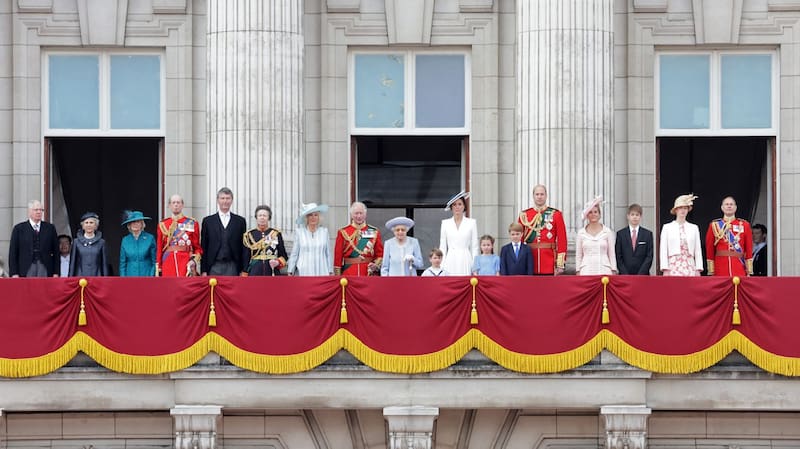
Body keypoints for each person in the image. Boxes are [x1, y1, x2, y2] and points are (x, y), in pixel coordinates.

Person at [517, 184, 567, 275]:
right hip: (530, 260)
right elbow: (519, 240)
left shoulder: (556, 214)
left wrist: (560, 264)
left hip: (549, 261)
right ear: (533, 196)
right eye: (537, 194)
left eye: (542, 194)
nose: (539, 197)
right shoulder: (524, 215)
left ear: (546, 196)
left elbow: (562, 240)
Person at [201, 187, 247, 276]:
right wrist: (204, 270)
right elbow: (204, 246)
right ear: (218, 200)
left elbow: (244, 247)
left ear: (232, 200)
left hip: (233, 266)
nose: (225, 201)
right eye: (222, 198)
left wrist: (243, 269)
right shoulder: (208, 221)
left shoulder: (240, 221)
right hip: (214, 265)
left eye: (228, 198)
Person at [9, 200, 60, 277]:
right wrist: (14, 273)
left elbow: (56, 252)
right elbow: (13, 253)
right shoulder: (19, 229)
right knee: (27, 289)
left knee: (44, 288)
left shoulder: (50, 228)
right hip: (25, 268)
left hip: (45, 267)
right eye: (36, 210)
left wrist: (56, 272)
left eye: (41, 210)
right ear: (29, 211)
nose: (39, 212)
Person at [705, 196, 754, 277]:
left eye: (731, 204)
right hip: (720, 267)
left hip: (738, 267)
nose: (729, 206)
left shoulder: (744, 225)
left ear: (735, 208)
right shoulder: (714, 225)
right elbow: (710, 248)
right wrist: (711, 270)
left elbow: (749, 248)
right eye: (726, 204)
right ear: (722, 207)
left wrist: (749, 270)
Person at [156, 194, 202, 277]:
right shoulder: (163, 224)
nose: (176, 205)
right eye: (173, 203)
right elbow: (159, 247)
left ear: (182, 205)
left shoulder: (192, 223)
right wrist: (159, 267)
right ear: (169, 205)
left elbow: (197, 248)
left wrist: (193, 261)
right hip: (168, 262)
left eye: (178, 202)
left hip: (185, 262)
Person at [334, 202, 384, 276]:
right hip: (349, 273)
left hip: (368, 273)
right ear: (351, 215)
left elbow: (380, 255)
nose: (359, 216)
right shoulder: (343, 232)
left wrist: (375, 265)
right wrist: (338, 276)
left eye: (361, 213)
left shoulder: (374, 231)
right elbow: (338, 257)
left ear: (365, 214)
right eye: (356, 213)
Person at [660, 194, 703, 276]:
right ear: (676, 210)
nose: (683, 210)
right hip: (673, 266)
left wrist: (698, 268)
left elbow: (697, 249)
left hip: (689, 265)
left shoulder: (694, 228)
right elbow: (663, 249)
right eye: (680, 208)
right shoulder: (667, 227)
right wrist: (665, 268)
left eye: (685, 208)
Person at [439, 191, 479, 275]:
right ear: (451, 207)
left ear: (464, 206)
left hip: (465, 258)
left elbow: (474, 246)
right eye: (454, 205)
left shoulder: (471, 223)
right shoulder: (445, 223)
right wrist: (442, 265)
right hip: (450, 258)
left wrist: (474, 266)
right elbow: (442, 247)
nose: (457, 207)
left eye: (460, 204)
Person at [287, 203, 333, 276]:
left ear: (319, 217)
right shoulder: (300, 232)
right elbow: (294, 253)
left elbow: (328, 253)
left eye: (315, 215)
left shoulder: (324, 232)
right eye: (310, 215)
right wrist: (290, 270)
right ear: (306, 218)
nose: (313, 217)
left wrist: (330, 270)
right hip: (304, 271)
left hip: (322, 270)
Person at [575, 196, 617, 275]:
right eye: (590, 212)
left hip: (604, 270)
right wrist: (578, 271)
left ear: (599, 214)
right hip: (586, 271)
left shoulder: (607, 232)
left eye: (595, 212)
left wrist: (613, 269)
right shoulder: (581, 233)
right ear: (587, 215)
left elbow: (611, 254)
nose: (593, 214)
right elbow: (579, 255)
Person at [243, 205, 288, 276]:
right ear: (256, 218)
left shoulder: (276, 234)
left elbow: (283, 255)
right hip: (255, 271)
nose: (262, 218)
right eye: (260, 215)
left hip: (272, 271)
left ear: (269, 218)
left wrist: (277, 262)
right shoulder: (249, 235)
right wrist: (245, 272)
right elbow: (246, 257)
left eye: (264, 215)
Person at [615, 204, 653, 275]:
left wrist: (641, 273)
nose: (635, 217)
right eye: (632, 215)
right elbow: (618, 256)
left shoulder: (647, 234)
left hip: (643, 275)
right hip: (625, 275)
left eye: (637, 215)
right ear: (628, 216)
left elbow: (649, 256)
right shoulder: (621, 234)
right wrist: (625, 273)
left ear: (640, 216)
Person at [69, 212, 109, 277]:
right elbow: (73, 263)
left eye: (91, 222)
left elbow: (104, 264)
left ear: (96, 225)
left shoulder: (101, 242)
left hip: (97, 277)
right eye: (86, 223)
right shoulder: (76, 242)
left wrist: (106, 280)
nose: (89, 225)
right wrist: (70, 279)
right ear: (83, 226)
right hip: (80, 278)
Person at [119, 210, 157, 277]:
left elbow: (154, 261)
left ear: (142, 224)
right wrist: (123, 279)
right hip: (130, 275)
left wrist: (151, 276)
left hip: (146, 275)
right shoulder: (125, 240)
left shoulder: (150, 238)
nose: (135, 224)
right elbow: (122, 263)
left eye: (138, 222)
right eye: (133, 222)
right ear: (129, 225)